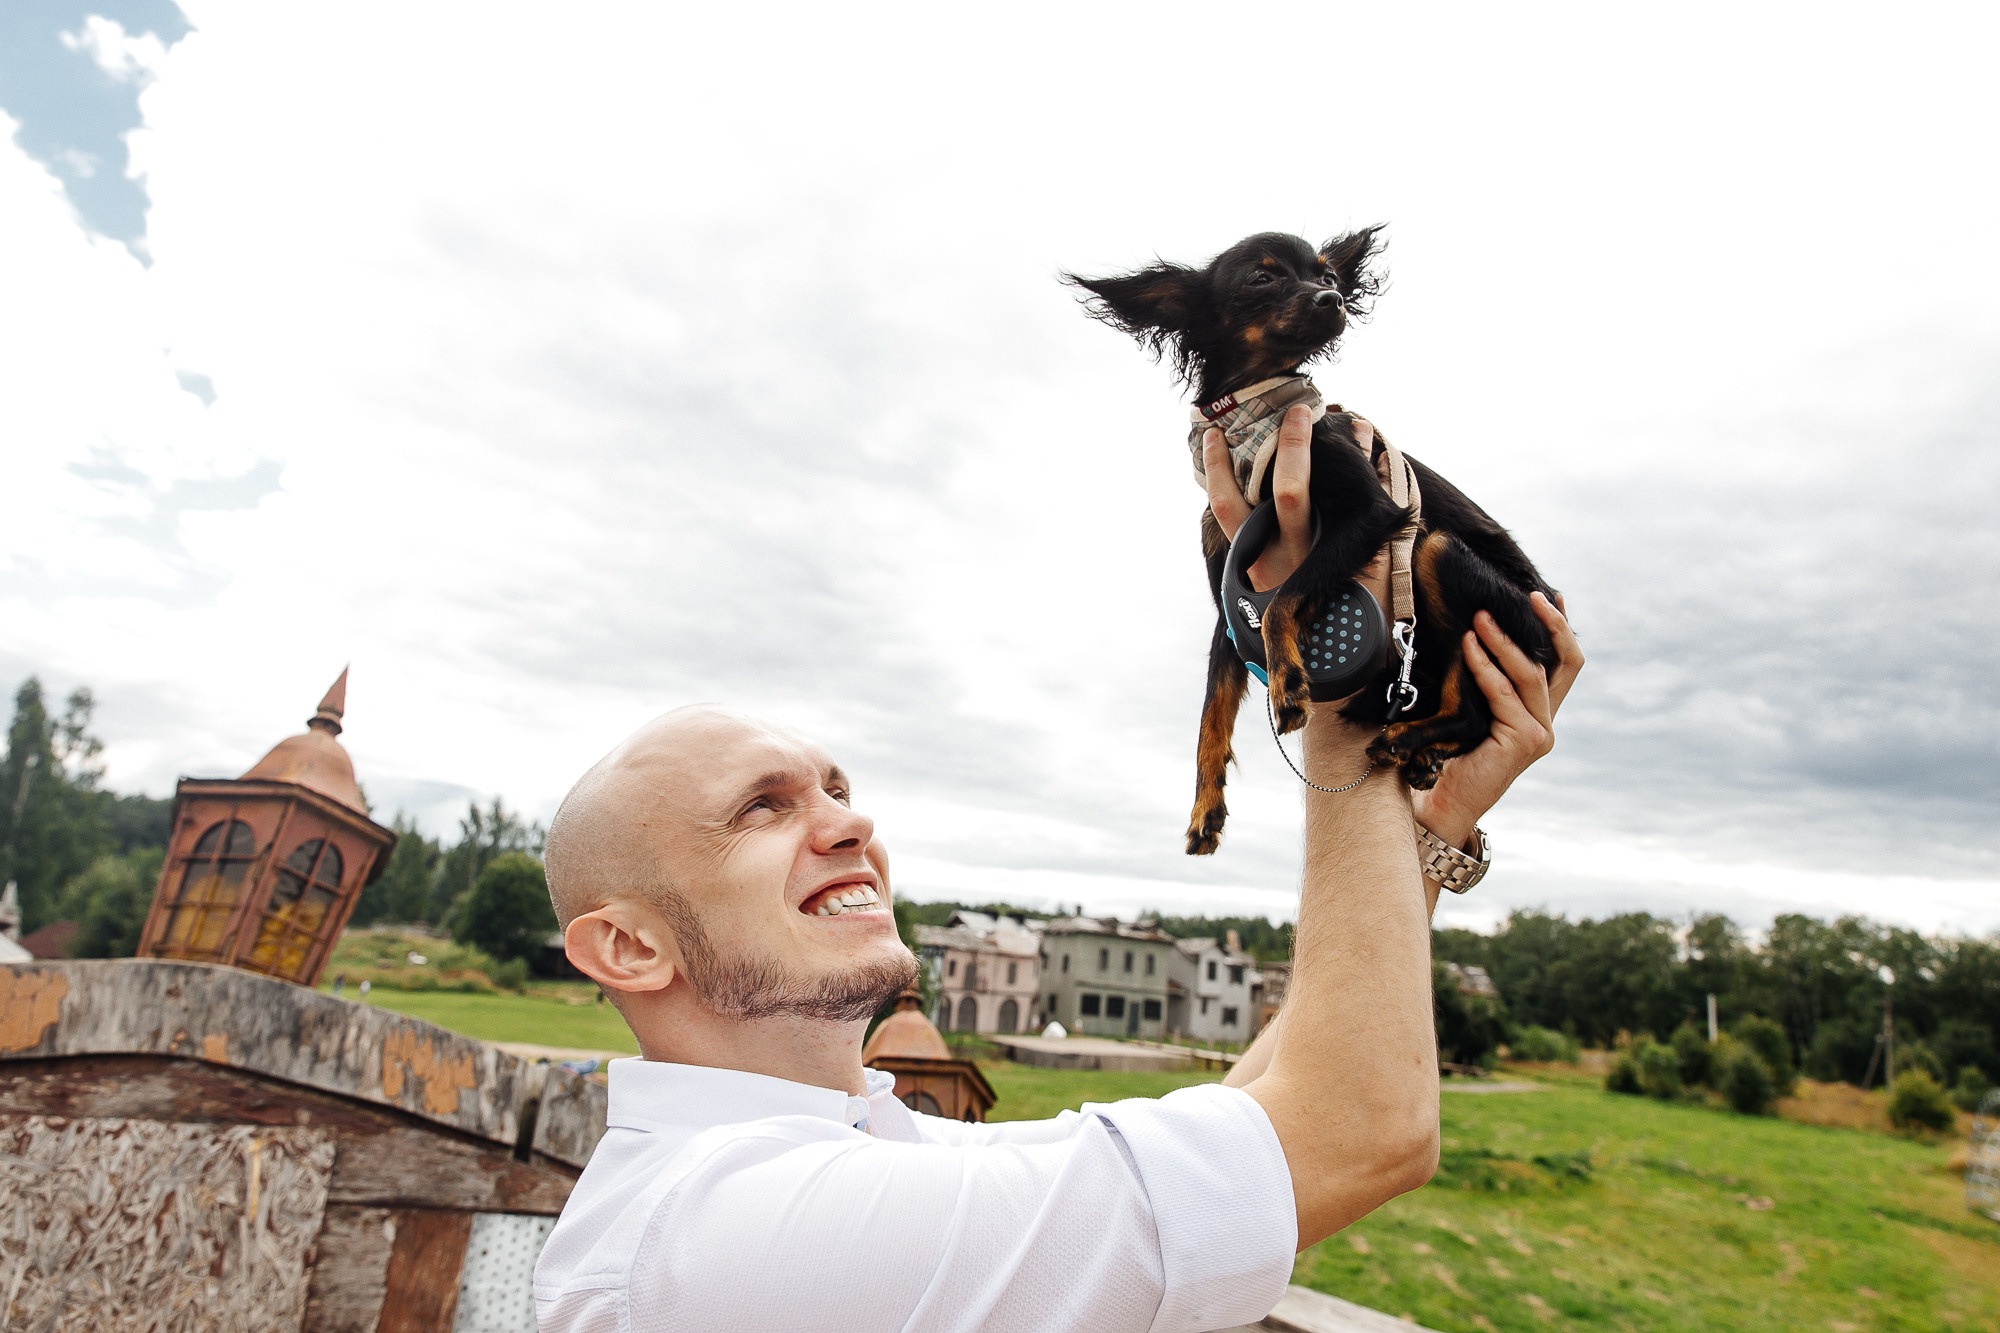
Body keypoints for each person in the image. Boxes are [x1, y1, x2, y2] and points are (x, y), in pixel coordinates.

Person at [533, 406, 1584, 1332]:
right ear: (625, 945)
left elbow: (1245, 1129)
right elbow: (1354, 1131)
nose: (849, 824)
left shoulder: (843, 1153)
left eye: (837, 788)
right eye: (761, 807)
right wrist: (1341, 682)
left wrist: (1422, 835)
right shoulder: (728, 1237)